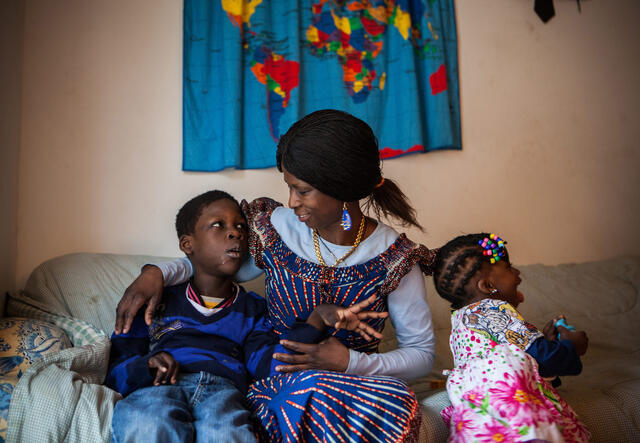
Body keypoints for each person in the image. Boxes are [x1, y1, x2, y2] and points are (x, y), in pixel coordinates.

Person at [115, 110, 438, 442]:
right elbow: (218, 266)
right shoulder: (276, 230)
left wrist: (349, 362)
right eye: (289, 188)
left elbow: (421, 356)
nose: (291, 202)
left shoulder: (396, 258)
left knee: (373, 399)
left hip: (354, 382)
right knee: (303, 392)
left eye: (302, 190)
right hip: (280, 381)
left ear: (340, 187)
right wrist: (157, 272)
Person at [107, 190, 386, 442]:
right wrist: (147, 365)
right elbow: (116, 371)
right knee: (147, 425)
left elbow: (269, 367)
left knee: (225, 433)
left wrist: (316, 320)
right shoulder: (156, 300)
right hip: (157, 388)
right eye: (219, 225)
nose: (235, 233)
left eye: (240, 226)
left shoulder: (253, 310)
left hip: (222, 393)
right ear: (187, 244)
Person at [432, 233, 591, 442]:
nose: (517, 273)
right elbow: (545, 359)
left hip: (483, 416)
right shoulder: (493, 308)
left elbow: (527, 366)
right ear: (488, 286)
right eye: (508, 267)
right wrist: (571, 345)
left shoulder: (462, 319)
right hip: (510, 409)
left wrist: (544, 342)